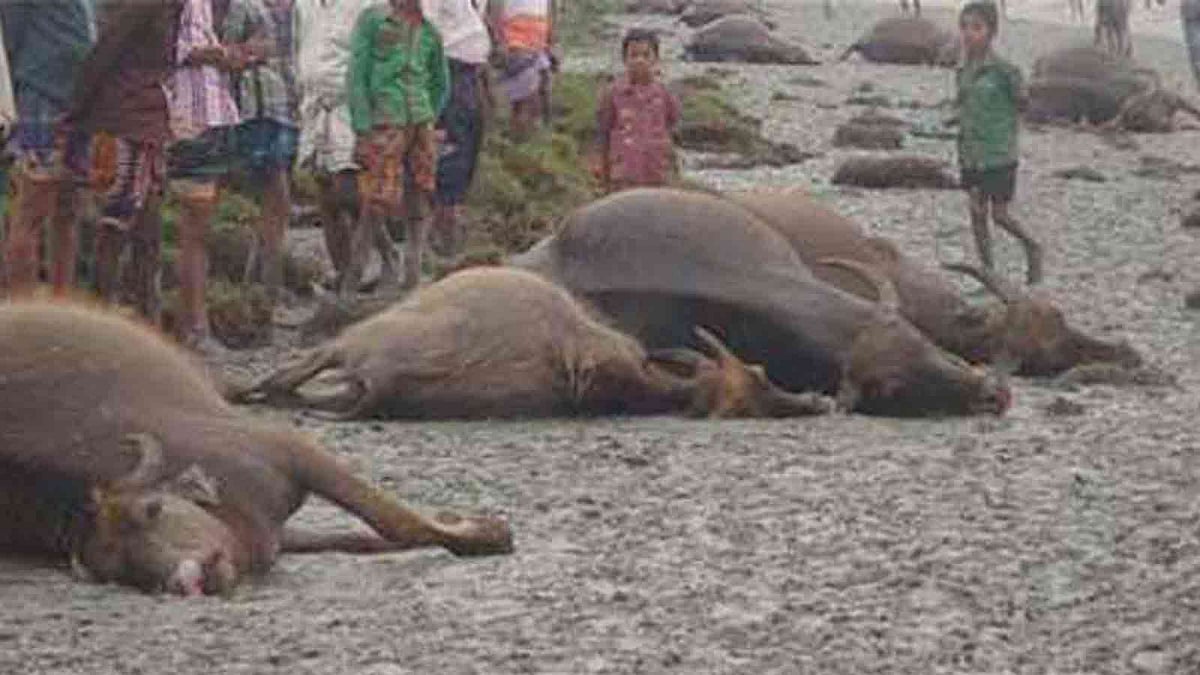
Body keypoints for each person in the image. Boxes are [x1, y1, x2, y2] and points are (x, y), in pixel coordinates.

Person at [63, 0, 182, 325]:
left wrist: (75, 116)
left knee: (132, 229)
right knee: (122, 229)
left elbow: (102, 57)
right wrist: (75, 116)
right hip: (131, 122)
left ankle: (128, 323)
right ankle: (116, 324)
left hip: (138, 122)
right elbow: (103, 56)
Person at [348, 0, 449, 292]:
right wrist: (363, 126)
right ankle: (352, 284)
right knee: (375, 202)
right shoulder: (373, 21)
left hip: (419, 119)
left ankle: (412, 274)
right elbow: (357, 75)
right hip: (385, 120)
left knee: (421, 194)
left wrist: (429, 114)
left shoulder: (429, 31)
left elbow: (440, 82)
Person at [0, 1, 94, 297]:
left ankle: (60, 307)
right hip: (41, 94)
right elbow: (9, 32)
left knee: (69, 206)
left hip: (80, 102)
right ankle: (23, 318)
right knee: (33, 207)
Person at [166, 0, 242, 353]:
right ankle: (191, 326)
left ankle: (194, 324)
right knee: (187, 226)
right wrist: (216, 54)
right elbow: (163, 48)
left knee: (198, 227)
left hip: (208, 114)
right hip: (181, 115)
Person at [293, 0, 381, 298]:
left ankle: (375, 262)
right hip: (315, 104)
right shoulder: (305, 5)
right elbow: (300, 47)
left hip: (353, 105)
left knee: (350, 188)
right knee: (325, 194)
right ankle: (345, 274)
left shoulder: (368, 5)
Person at [955, 0, 1041, 285]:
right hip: (970, 153)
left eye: (977, 27)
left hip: (999, 154)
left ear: (991, 32)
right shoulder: (963, 70)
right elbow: (962, 105)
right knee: (976, 214)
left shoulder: (1005, 71)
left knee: (1000, 216)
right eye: (965, 27)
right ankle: (988, 273)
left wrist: (1005, 128)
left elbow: (1024, 103)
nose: (969, 34)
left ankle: (1032, 247)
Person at [222, 0, 299, 319]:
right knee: (274, 198)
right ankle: (265, 291)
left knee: (276, 201)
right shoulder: (244, 7)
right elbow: (227, 53)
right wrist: (248, 52)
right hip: (255, 110)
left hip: (283, 108)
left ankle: (261, 287)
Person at [422, 0, 494, 257]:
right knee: (448, 155)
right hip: (445, 69)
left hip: (471, 73)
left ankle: (447, 228)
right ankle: (439, 236)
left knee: (467, 153)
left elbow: (479, 30)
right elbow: (425, 28)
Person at [591, 28, 680, 195]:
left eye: (646, 55)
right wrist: (601, 170)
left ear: (656, 59)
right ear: (624, 59)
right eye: (634, 55)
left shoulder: (665, 94)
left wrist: (672, 168)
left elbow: (672, 125)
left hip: (657, 174)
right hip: (623, 176)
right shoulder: (613, 94)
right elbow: (603, 132)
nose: (640, 61)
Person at [493, 0, 557, 139]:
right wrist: (499, 41)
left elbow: (551, 8)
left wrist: (551, 42)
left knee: (544, 90)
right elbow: (495, 8)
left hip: (539, 40)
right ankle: (520, 140)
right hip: (516, 39)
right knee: (524, 96)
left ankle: (537, 138)